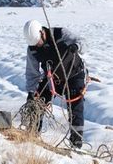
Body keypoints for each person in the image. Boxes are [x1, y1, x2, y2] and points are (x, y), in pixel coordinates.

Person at [23, 19, 87, 148]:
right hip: (52, 78)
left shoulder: (60, 34)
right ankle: (32, 135)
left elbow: (82, 42)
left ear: (42, 33)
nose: (37, 46)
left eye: (38, 42)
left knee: (75, 107)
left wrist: (76, 46)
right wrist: (31, 93)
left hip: (74, 75)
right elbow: (32, 73)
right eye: (34, 44)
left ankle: (76, 143)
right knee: (37, 102)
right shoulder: (32, 49)